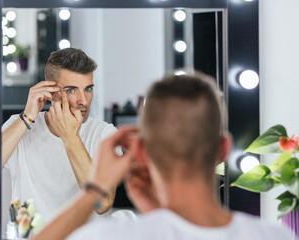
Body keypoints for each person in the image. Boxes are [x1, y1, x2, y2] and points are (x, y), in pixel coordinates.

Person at [33, 71, 294, 240]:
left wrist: (95, 189)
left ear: (141, 153)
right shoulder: (273, 236)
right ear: (224, 149)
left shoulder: (112, 237)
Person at [1, 48, 116, 223]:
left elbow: (102, 203)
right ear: (50, 91)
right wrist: (27, 116)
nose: (83, 100)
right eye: (71, 90)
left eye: (88, 89)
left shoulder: (105, 134)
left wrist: (70, 136)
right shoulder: (20, 126)